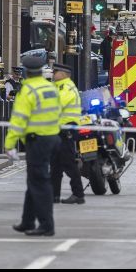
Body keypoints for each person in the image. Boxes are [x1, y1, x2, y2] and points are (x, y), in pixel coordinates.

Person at [6, 55, 61, 236]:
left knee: (39, 182)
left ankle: (47, 225)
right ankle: (27, 221)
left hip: (37, 140)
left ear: (26, 71)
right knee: (34, 180)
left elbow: (18, 120)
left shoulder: (28, 90)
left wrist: (10, 144)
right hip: (53, 138)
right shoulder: (50, 88)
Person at [50, 63, 85, 205]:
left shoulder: (67, 87)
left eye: (55, 72)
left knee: (68, 163)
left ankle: (78, 194)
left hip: (67, 129)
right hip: (58, 129)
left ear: (63, 74)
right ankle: (54, 195)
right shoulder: (57, 86)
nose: (53, 74)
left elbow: (57, 103)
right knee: (55, 165)